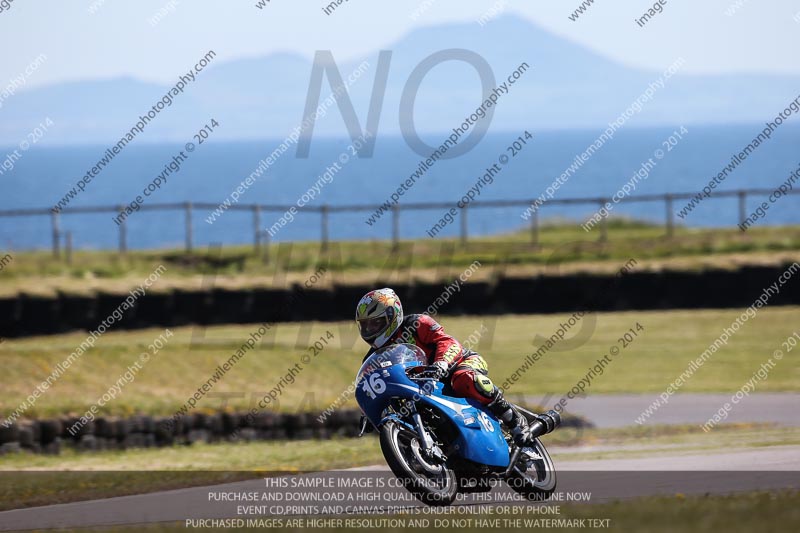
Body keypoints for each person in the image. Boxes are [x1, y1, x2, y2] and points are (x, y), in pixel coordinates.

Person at [355, 287, 544, 446]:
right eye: (365, 325)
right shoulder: (373, 357)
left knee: (463, 379)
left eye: (375, 322)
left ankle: (513, 418)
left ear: (391, 316)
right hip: (425, 386)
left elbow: (449, 343)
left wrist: (441, 364)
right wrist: (367, 412)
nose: (370, 330)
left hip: (459, 363)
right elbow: (374, 384)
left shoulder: (416, 323)